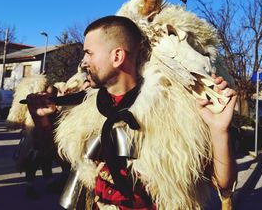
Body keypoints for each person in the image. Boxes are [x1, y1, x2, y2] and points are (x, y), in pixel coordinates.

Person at [54, 15, 237, 209]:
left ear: (117, 57)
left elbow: (222, 185)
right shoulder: (85, 111)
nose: (83, 62)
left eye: (89, 53)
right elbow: (66, 163)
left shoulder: (174, 111)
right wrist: (42, 122)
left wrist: (219, 131)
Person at [24, 85, 60, 199]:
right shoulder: (34, 104)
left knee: (47, 162)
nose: (48, 95)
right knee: (34, 163)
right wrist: (50, 102)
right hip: (38, 138)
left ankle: (49, 184)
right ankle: (29, 188)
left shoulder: (44, 102)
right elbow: (47, 111)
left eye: (52, 93)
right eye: (47, 93)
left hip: (48, 138)